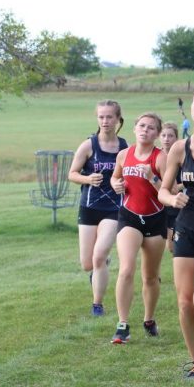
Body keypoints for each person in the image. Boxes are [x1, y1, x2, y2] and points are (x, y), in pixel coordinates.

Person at [109, 112, 166, 343]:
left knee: (150, 277)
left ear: (157, 134)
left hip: (155, 219)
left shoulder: (160, 157)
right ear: (134, 129)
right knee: (126, 269)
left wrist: (152, 177)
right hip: (129, 217)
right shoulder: (124, 154)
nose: (145, 130)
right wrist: (116, 184)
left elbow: (167, 192)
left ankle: (149, 319)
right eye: (142, 126)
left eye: (151, 128)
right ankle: (122, 325)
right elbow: (115, 178)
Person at [68, 100, 127, 317]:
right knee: (87, 264)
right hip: (89, 207)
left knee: (99, 256)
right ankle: (98, 266)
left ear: (118, 119)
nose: (105, 121)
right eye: (101, 117)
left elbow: (130, 176)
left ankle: (97, 305)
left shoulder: (124, 147)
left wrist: (123, 183)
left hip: (114, 208)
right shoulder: (89, 145)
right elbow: (72, 174)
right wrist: (87, 178)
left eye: (109, 117)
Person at [159, 91, 194, 379]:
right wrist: (173, 200)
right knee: (184, 303)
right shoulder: (181, 149)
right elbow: (163, 189)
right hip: (187, 226)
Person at [160, 122, 181, 254]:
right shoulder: (156, 155)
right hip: (157, 207)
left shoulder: (181, 156)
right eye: (163, 135)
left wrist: (178, 187)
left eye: (170, 136)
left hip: (175, 208)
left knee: (172, 245)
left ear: (176, 138)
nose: (166, 139)